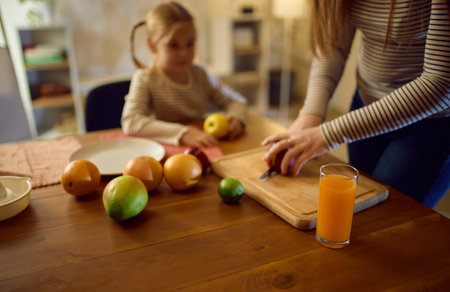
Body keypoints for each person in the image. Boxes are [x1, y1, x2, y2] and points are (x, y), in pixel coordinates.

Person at [262, 0, 450, 208]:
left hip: (430, 126)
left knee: (385, 220)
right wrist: (310, 114)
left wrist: (328, 135)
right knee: (359, 208)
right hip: (364, 107)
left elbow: (441, 82)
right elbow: (333, 46)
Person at [122, 1, 247, 147]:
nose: (184, 53)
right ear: (152, 45)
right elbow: (131, 122)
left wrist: (237, 119)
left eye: (190, 43)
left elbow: (236, 101)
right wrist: (183, 133)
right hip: (162, 152)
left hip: (202, 148)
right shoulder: (145, 79)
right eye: (173, 45)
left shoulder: (201, 75)